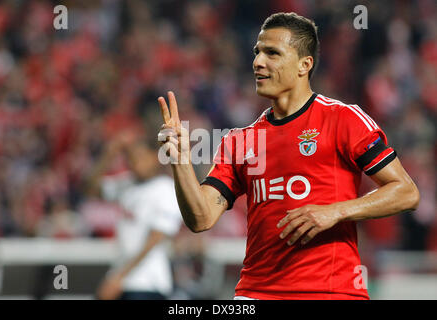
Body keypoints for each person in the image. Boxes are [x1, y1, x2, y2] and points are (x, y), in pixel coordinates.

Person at [156, 12, 420, 300]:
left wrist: (336, 211)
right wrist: (181, 163)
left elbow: (406, 192)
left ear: (304, 65)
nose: (258, 62)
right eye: (257, 52)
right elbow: (201, 219)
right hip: (255, 293)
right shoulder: (240, 141)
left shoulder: (343, 119)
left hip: (329, 292)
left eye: (272, 53)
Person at [88, 132, 182, 300]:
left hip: (148, 282)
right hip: (123, 278)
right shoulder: (127, 184)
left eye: (140, 156)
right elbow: (89, 189)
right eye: (131, 157)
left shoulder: (166, 189)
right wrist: (108, 156)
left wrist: (119, 277)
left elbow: (155, 239)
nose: (135, 162)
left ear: (155, 157)